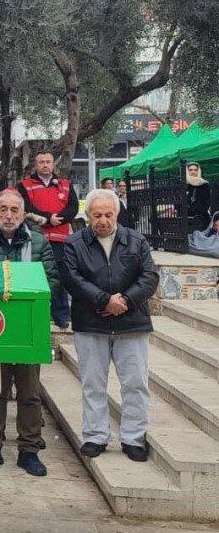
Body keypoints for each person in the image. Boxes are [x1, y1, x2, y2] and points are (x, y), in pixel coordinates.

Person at [0, 189, 59, 476]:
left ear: (22, 214)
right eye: (2, 209)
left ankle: (29, 449)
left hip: (28, 330)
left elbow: (51, 282)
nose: (8, 215)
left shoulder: (39, 243)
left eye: (14, 210)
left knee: (29, 392)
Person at [63, 188, 160, 462]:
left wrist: (125, 301)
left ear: (116, 214)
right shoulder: (74, 243)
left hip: (131, 323)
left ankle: (133, 438)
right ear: (87, 216)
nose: (102, 220)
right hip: (91, 322)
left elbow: (149, 276)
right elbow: (72, 279)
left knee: (135, 383)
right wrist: (104, 301)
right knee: (93, 383)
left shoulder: (136, 240)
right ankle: (95, 436)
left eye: (108, 214)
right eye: (97, 215)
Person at [20, 150, 79, 331]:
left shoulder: (65, 185)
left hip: (60, 240)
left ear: (53, 164)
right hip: (34, 238)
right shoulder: (25, 185)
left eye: (48, 162)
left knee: (59, 277)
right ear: (35, 165)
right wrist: (47, 218)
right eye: (41, 162)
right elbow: (26, 208)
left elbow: (73, 207)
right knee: (37, 276)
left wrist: (57, 219)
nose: (45, 165)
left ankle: (61, 315)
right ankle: (38, 313)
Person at [186, 162, 213, 232]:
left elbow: (206, 203)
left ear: (198, 171)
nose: (193, 172)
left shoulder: (204, 184)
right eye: (190, 170)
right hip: (186, 220)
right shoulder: (184, 185)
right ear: (187, 171)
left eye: (195, 170)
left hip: (201, 220)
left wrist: (193, 210)